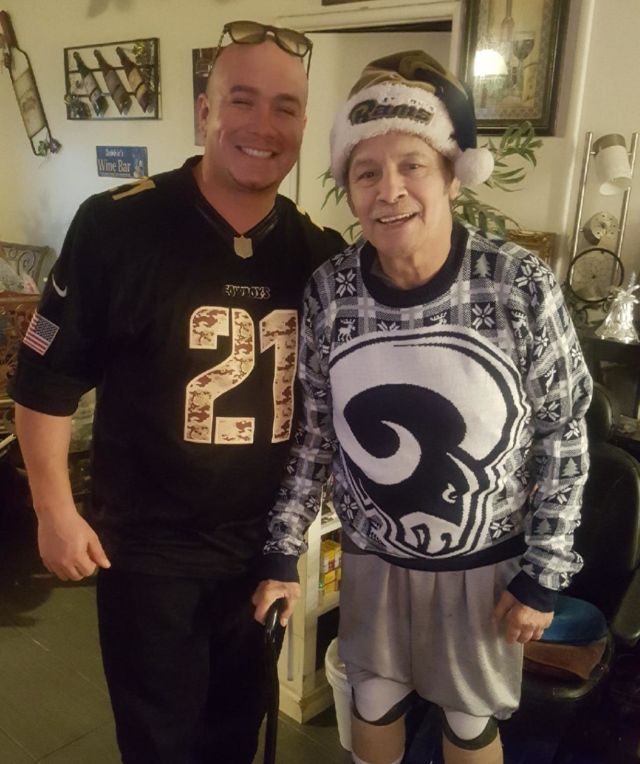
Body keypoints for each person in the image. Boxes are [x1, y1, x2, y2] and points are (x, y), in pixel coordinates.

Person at [10, 20, 344, 764]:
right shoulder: (116, 226)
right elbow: (45, 379)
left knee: (234, 735)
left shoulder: (321, 255)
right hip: (148, 553)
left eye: (286, 107)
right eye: (242, 100)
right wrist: (53, 511)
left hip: (262, 551)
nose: (263, 125)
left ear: (303, 126)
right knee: (159, 744)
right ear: (203, 112)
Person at [253, 51, 592, 764]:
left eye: (412, 165)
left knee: (469, 721)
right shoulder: (330, 291)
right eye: (366, 172)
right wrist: (284, 547)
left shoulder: (517, 284)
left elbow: (565, 435)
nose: (390, 190)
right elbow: (315, 436)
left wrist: (544, 572)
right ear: (348, 188)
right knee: (372, 698)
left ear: (451, 175)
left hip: (485, 568)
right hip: (372, 559)